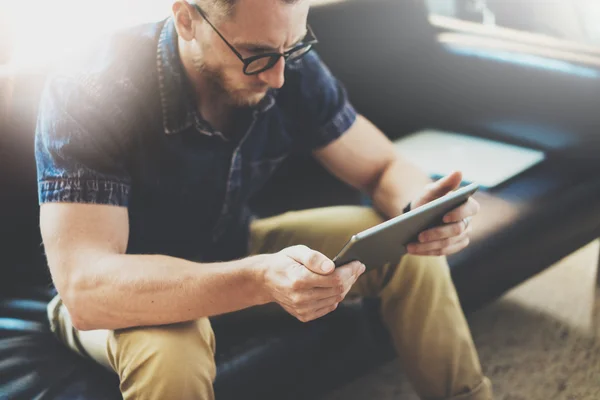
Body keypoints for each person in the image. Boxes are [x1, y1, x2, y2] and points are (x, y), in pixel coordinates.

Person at [35, 0, 493, 399]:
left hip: (239, 247)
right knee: (174, 350)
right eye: (255, 57)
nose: (277, 77)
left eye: (291, 48)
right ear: (187, 20)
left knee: (403, 249)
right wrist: (259, 279)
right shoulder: (89, 90)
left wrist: (422, 213)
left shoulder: (289, 64)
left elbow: (382, 168)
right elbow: (86, 289)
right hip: (126, 297)